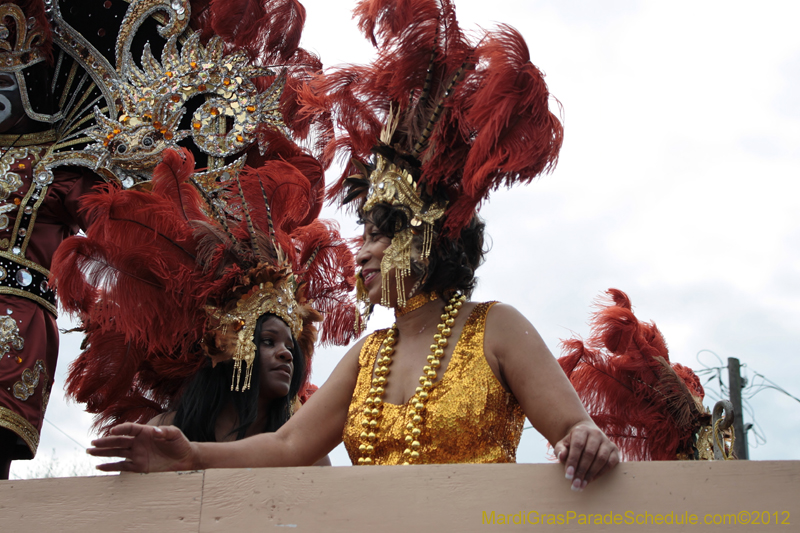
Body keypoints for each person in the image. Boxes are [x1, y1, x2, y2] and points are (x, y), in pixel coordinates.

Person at [88, 0, 620, 491]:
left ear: (425, 235)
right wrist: (192, 456)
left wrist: (584, 438)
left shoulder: (497, 327)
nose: (360, 252)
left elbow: (573, 428)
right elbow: (289, 444)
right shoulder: (367, 358)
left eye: (378, 235)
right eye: (363, 235)